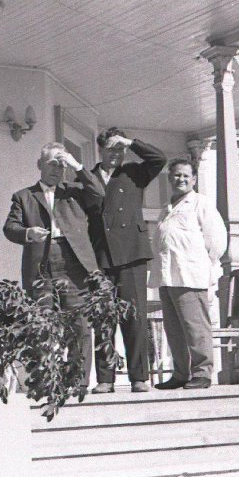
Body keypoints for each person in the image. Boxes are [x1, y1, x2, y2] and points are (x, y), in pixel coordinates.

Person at [3, 142, 103, 388]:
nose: (57, 169)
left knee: (79, 325)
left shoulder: (75, 191)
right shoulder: (24, 196)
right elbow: (10, 228)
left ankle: (78, 383)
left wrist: (76, 165)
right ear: (40, 165)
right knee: (42, 325)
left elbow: (99, 193)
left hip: (74, 265)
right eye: (52, 164)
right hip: (41, 267)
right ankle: (46, 384)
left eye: (61, 165)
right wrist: (28, 233)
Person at [88, 128, 167, 393]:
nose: (116, 154)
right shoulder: (87, 177)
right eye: (111, 148)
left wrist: (130, 142)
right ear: (100, 149)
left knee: (135, 318)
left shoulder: (134, 173)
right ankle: (105, 379)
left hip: (132, 255)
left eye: (119, 149)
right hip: (101, 257)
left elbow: (159, 159)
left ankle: (139, 377)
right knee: (103, 319)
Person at [150, 158, 227, 390]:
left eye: (186, 175)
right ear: (169, 178)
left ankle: (202, 373)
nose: (181, 179)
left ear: (194, 179)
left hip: (190, 275)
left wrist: (204, 266)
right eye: (176, 175)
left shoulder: (200, 203)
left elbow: (216, 241)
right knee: (174, 329)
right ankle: (181, 373)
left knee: (195, 327)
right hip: (167, 276)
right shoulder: (166, 208)